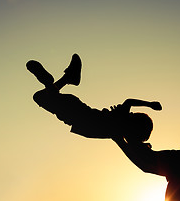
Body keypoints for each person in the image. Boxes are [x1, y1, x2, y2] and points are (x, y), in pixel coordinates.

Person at [26, 53, 162, 143]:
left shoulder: (119, 127)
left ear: (133, 125)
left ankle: (67, 78)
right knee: (40, 97)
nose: (130, 113)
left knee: (40, 97)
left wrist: (150, 104)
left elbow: (129, 102)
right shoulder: (118, 133)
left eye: (132, 115)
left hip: (78, 111)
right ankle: (52, 81)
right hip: (76, 116)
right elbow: (134, 145)